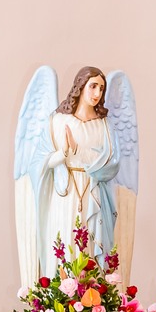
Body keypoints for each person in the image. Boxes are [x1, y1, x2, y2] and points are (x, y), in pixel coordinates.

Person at [43, 66, 120, 261]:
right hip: (66, 193)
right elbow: (43, 163)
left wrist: (79, 150)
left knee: (90, 247)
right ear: (81, 86)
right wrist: (63, 153)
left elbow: (112, 164)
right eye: (93, 86)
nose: (97, 93)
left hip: (93, 193)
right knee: (64, 243)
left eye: (101, 89)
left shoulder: (104, 125)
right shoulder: (58, 120)